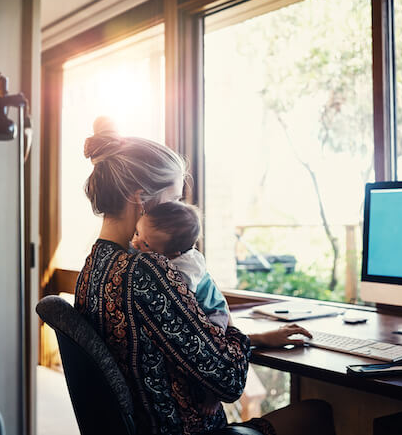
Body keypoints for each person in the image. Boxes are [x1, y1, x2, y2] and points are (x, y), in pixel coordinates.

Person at [74, 117, 336, 435]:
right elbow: (229, 381)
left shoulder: (93, 267)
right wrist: (235, 335)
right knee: (317, 412)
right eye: (172, 201)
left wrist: (258, 339)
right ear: (141, 200)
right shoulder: (147, 271)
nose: (177, 212)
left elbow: (164, 343)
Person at [131, 201, 229, 415]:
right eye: (137, 232)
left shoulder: (186, 269)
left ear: (173, 253)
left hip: (214, 312)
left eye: (145, 243)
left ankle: (214, 395)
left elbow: (180, 298)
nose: (135, 242)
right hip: (204, 309)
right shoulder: (166, 254)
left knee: (210, 351)